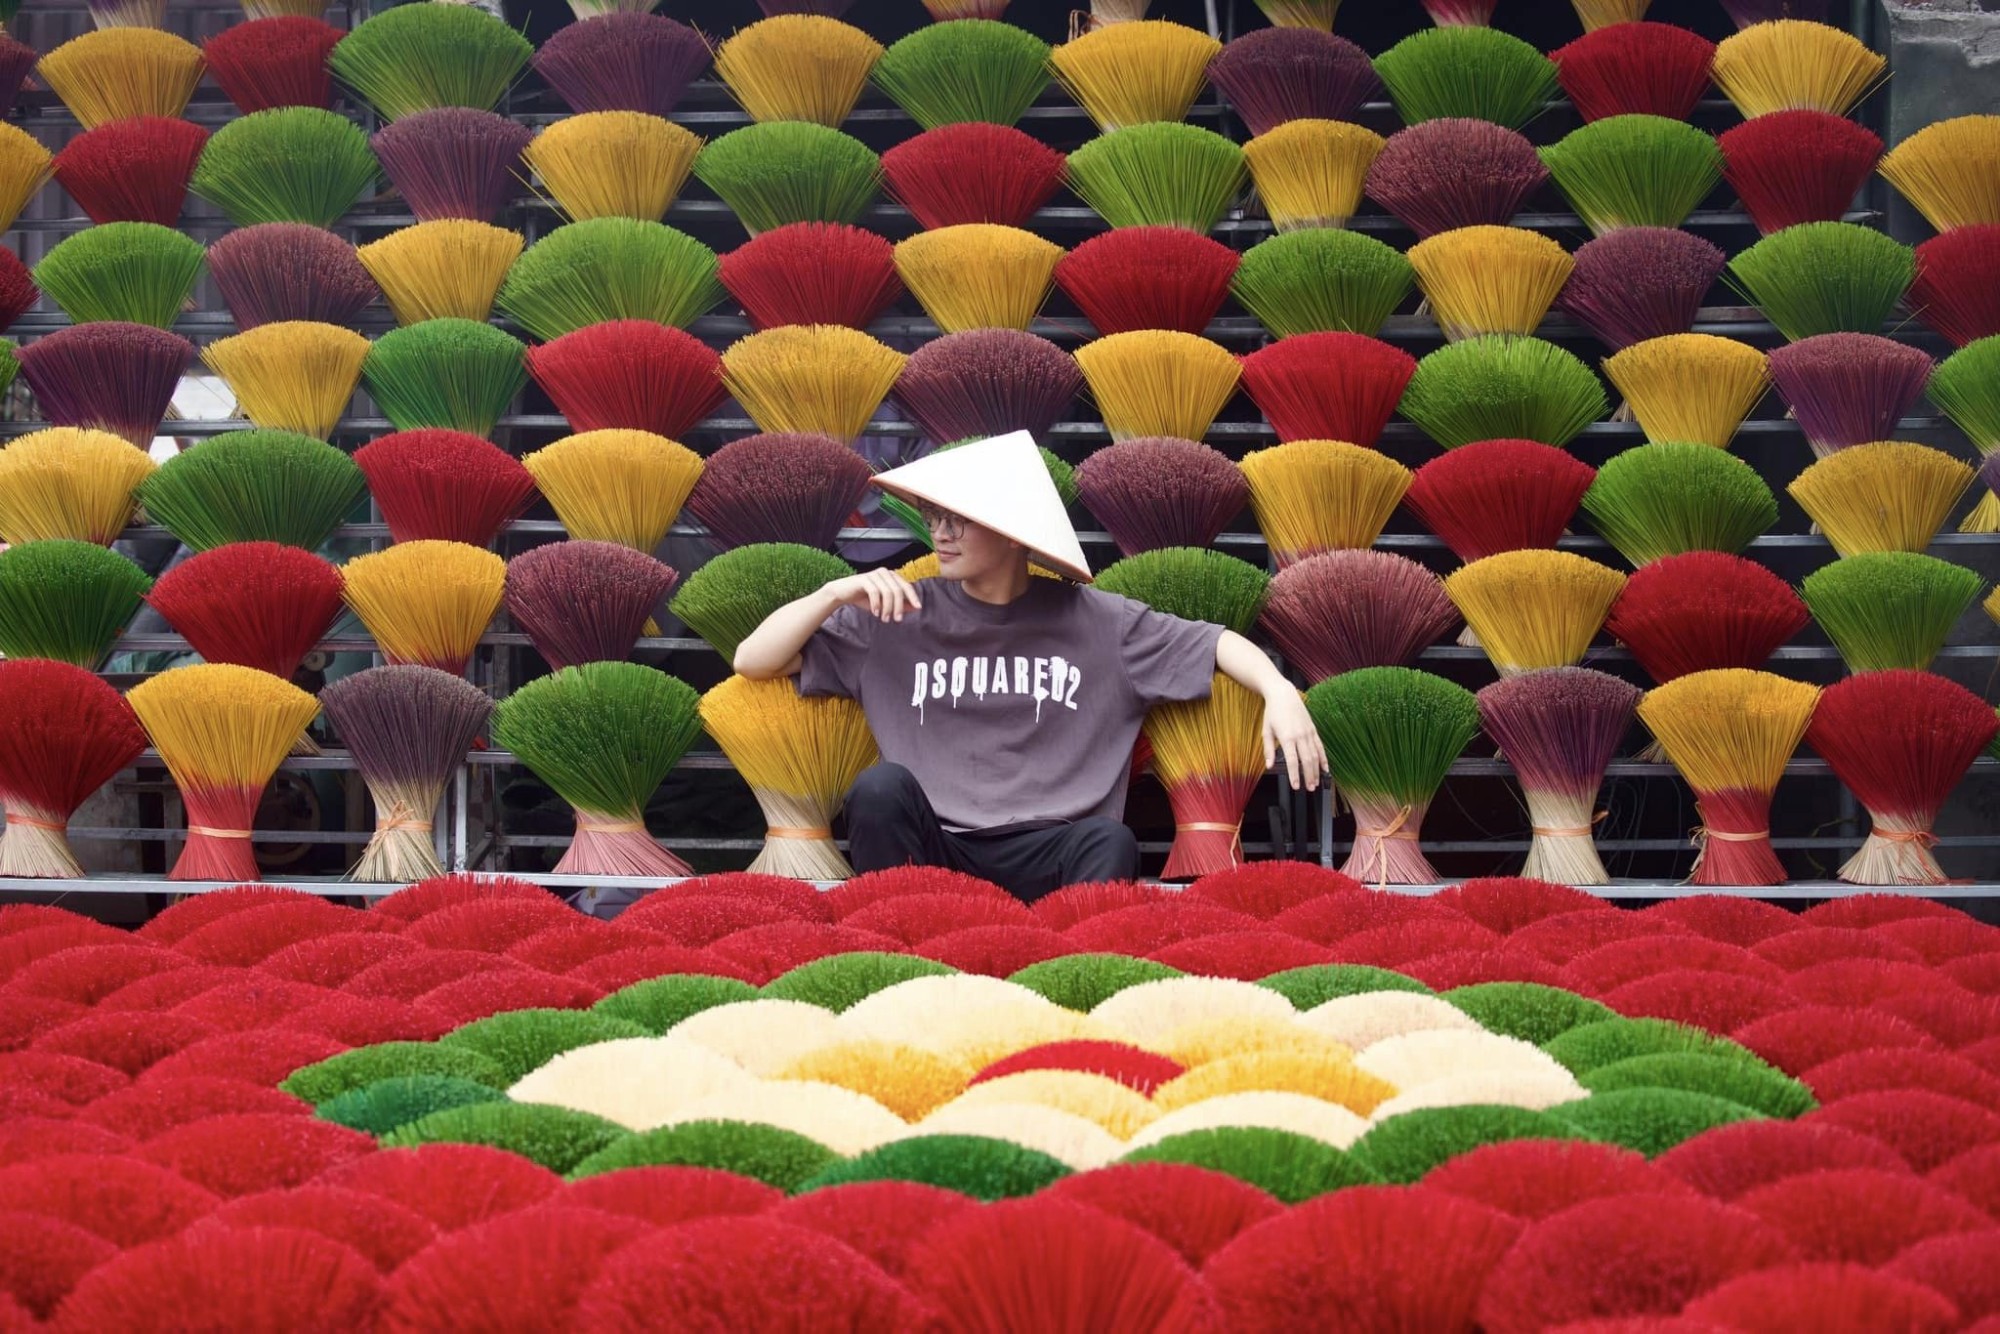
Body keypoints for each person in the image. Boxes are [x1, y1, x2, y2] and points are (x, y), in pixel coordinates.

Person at [733, 430, 1328, 903]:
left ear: (1016, 534)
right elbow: (752, 660)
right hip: (939, 848)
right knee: (879, 790)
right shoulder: (894, 614)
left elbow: (1217, 644)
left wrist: (1278, 690)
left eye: (959, 519)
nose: (940, 533)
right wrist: (833, 594)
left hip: (1056, 849)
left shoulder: (1101, 623)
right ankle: (899, 949)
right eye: (934, 516)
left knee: (1111, 840)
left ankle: (1070, 974)